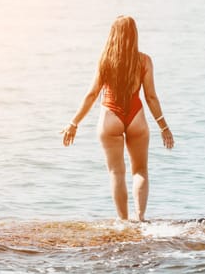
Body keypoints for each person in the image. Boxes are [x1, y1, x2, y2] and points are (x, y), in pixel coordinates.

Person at [61, 15, 174, 222]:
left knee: (116, 172)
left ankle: (123, 221)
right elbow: (150, 97)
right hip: (136, 117)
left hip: (109, 117)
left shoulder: (105, 60)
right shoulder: (144, 61)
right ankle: (140, 219)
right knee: (139, 170)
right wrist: (163, 126)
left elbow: (92, 94)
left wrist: (73, 123)